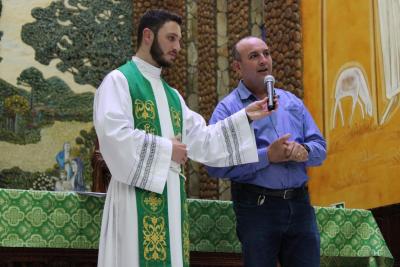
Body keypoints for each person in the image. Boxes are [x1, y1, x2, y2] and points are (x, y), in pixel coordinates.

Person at [93, 10, 275, 267]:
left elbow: (204, 140)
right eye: (171, 38)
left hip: (171, 201)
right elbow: (113, 137)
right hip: (132, 202)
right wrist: (167, 151)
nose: (178, 47)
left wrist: (245, 117)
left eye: (179, 40)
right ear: (148, 36)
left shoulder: (173, 96)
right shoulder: (119, 81)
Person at [206, 36, 327, 267]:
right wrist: (266, 156)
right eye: (254, 56)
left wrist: (304, 150)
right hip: (257, 208)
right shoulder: (228, 109)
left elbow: (320, 148)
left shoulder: (292, 102)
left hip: (300, 204)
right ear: (237, 67)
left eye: (266, 53)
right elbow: (214, 164)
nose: (264, 60)